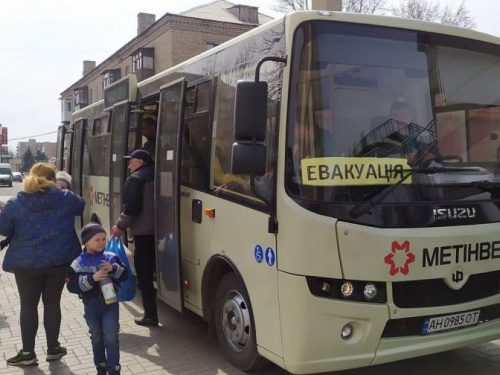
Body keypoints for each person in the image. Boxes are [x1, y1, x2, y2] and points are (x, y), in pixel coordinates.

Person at [0, 162, 84, 366]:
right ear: (53, 180)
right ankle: (53, 348)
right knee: (52, 303)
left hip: (25, 263)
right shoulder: (65, 198)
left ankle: (28, 353)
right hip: (58, 261)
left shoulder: (14, 203)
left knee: (28, 305)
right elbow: (81, 206)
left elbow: (3, 229)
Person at [66, 223, 128, 375]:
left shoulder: (111, 257)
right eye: (97, 240)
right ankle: (100, 366)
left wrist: (113, 269)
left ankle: (114, 368)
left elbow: (126, 275)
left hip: (111, 303)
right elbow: (71, 285)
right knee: (96, 336)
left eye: (104, 239)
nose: (101, 243)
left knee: (111, 335)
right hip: (91, 304)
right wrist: (92, 278)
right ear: (86, 242)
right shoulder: (78, 263)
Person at [111, 149, 157, 326]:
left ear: (140, 162)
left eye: (131, 161)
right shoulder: (159, 173)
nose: (129, 165)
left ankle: (151, 315)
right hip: (160, 232)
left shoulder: (136, 179)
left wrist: (120, 226)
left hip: (144, 233)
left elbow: (132, 208)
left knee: (144, 276)